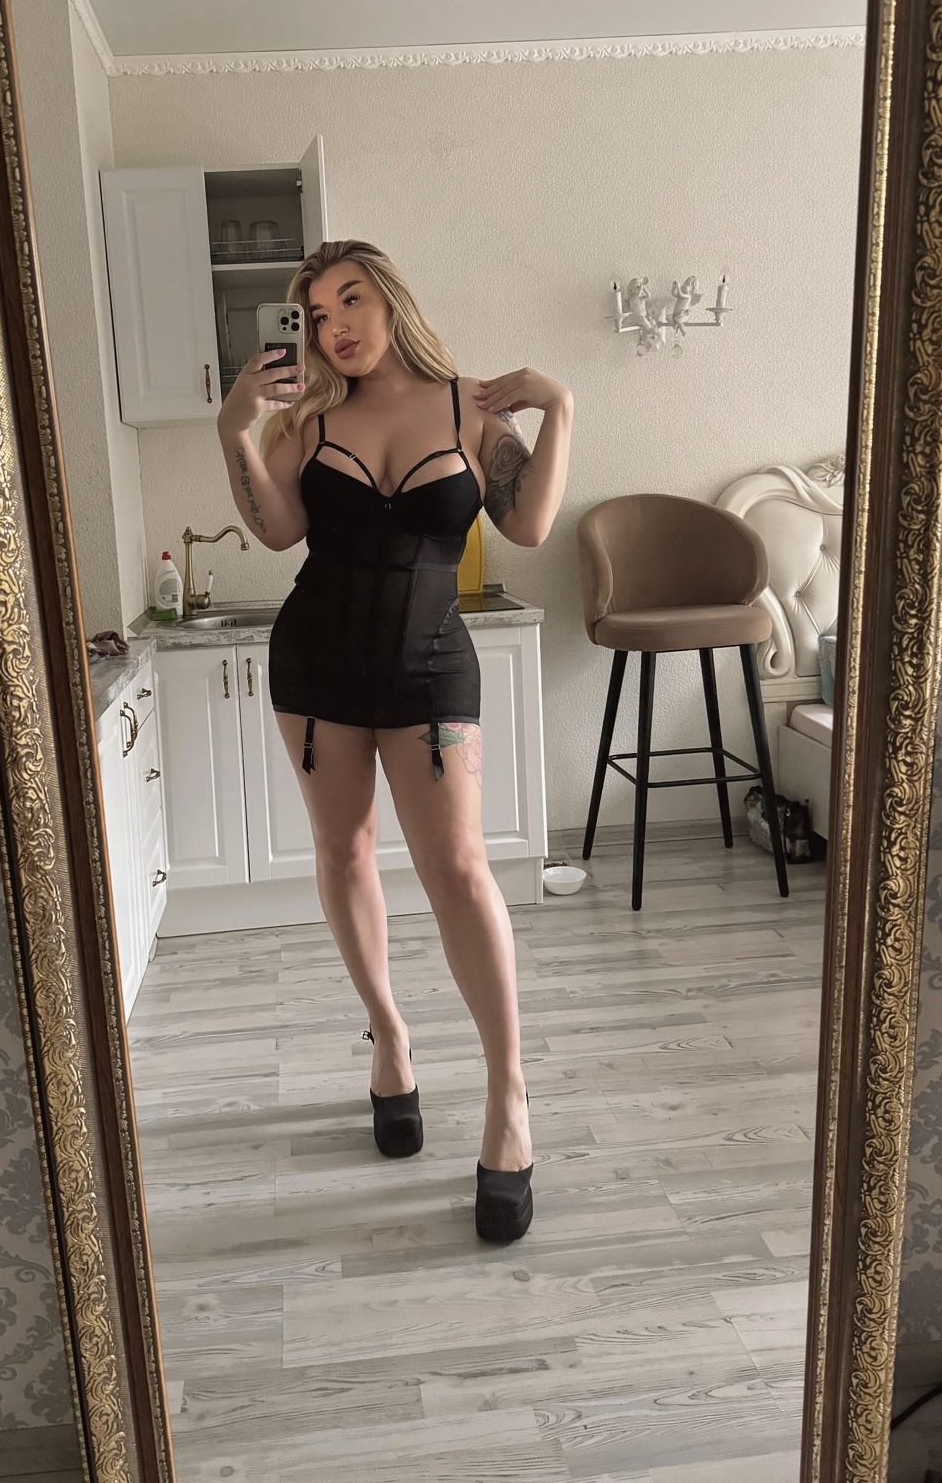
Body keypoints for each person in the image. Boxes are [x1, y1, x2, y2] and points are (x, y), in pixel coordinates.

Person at [215, 240, 573, 1241]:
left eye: (351, 299)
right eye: (316, 311)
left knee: (459, 869)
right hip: (316, 662)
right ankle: (389, 1036)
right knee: (345, 852)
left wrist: (561, 405)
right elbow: (277, 531)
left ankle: (508, 1096)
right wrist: (235, 427)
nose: (334, 323)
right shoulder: (305, 421)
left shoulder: (473, 409)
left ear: (391, 301)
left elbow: (532, 525)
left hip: (430, 666)